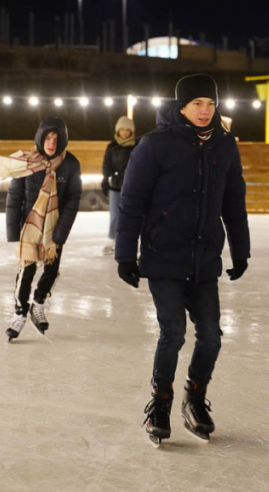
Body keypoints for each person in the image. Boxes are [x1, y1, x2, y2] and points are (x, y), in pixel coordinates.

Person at [115, 73, 250, 446]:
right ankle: (160, 404)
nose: (205, 111)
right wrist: (126, 254)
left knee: (210, 337)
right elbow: (131, 203)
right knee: (172, 333)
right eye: (197, 104)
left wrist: (240, 250)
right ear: (182, 107)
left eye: (210, 103)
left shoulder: (225, 146)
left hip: (204, 259)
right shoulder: (155, 145)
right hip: (164, 257)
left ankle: (194, 398)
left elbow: (234, 204)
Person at [0, 117, 82, 341]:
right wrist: (13, 231)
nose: (51, 143)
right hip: (30, 228)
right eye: (47, 138)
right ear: (40, 138)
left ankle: (38, 303)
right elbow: (15, 197)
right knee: (26, 272)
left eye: (56, 139)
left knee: (51, 269)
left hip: (54, 228)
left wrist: (59, 235)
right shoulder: (26, 162)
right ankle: (20, 312)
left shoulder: (70, 165)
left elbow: (72, 201)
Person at [101, 116, 136, 255]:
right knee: (115, 215)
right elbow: (106, 164)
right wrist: (105, 179)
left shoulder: (136, 145)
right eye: (122, 129)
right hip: (115, 186)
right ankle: (112, 240)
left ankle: (128, 241)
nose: (125, 132)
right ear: (118, 130)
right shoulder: (112, 146)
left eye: (128, 130)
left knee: (131, 214)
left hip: (132, 186)